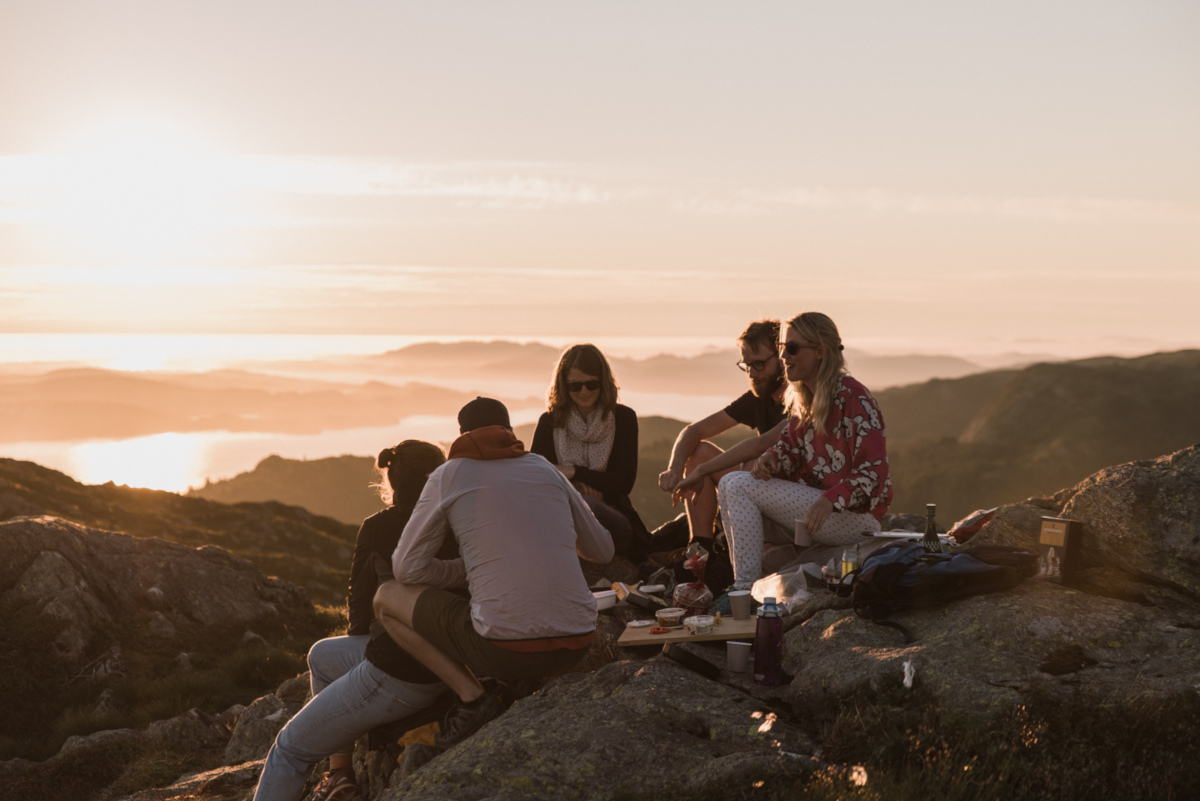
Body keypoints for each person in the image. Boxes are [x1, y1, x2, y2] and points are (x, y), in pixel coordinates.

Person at [373, 397, 614, 750]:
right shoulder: (546, 469)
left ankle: (473, 698)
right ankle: (518, 683)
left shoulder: (449, 474)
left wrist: (466, 571)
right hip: (575, 644)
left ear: (463, 434)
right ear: (509, 431)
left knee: (386, 597)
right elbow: (603, 550)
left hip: (502, 651)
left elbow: (406, 568)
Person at [253, 440, 450, 801]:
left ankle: (335, 771)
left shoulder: (380, 526)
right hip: (454, 660)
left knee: (290, 751)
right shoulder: (458, 516)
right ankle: (339, 773)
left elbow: (359, 614)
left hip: (404, 672)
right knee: (322, 656)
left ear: (391, 482)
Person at [716, 312, 892, 593]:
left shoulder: (854, 398)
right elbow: (787, 452)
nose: (784, 355)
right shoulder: (805, 402)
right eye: (782, 347)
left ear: (820, 351)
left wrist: (829, 501)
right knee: (730, 485)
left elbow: (873, 476)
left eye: (792, 348)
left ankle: (744, 589)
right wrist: (770, 461)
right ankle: (746, 585)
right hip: (822, 515)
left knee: (735, 485)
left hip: (857, 518)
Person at [657, 320, 789, 549]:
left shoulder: (802, 400)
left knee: (750, 463)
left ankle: (730, 551)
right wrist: (675, 468)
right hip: (758, 485)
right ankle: (700, 550)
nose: (752, 374)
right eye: (747, 365)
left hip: (791, 496)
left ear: (782, 357)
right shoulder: (759, 398)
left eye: (759, 364)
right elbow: (694, 430)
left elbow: (762, 444)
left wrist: (701, 471)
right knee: (698, 453)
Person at [530, 344, 649, 557]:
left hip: (614, 520)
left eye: (591, 384)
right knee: (579, 505)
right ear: (564, 386)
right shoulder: (549, 422)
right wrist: (580, 489)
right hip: (561, 515)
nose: (584, 391)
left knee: (587, 505)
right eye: (575, 386)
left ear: (603, 383)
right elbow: (538, 478)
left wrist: (573, 473)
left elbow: (624, 483)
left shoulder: (623, 418)